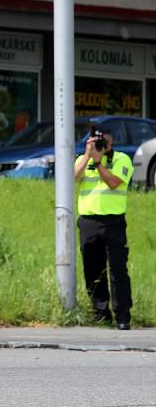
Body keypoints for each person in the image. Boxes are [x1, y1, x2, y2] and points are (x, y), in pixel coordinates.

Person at [74, 127, 134, 330]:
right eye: (96, 139)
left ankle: (123, 316)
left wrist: (99, 162)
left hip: (113, 223)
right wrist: (87, 155)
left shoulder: (122, 159)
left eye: (104, 139)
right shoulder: (84, 159)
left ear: (112, 140)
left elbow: (114, 183)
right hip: (89, 222)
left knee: (118, 270)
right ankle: (100, 314)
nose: (101, 143)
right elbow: (73, 177)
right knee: (93, 270)